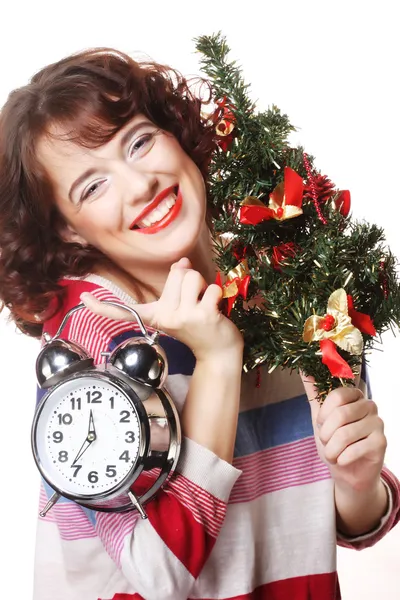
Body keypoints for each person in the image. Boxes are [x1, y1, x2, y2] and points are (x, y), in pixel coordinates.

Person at [0, 48, 399, 600]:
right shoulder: (88, 348)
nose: (140, 184)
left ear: (174, 134)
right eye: (92, 186)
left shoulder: (291, 283)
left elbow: (343, 516)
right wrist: (215, 359)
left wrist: (357, 481)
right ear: (69, 232)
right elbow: (159, 574)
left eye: (139, 141)